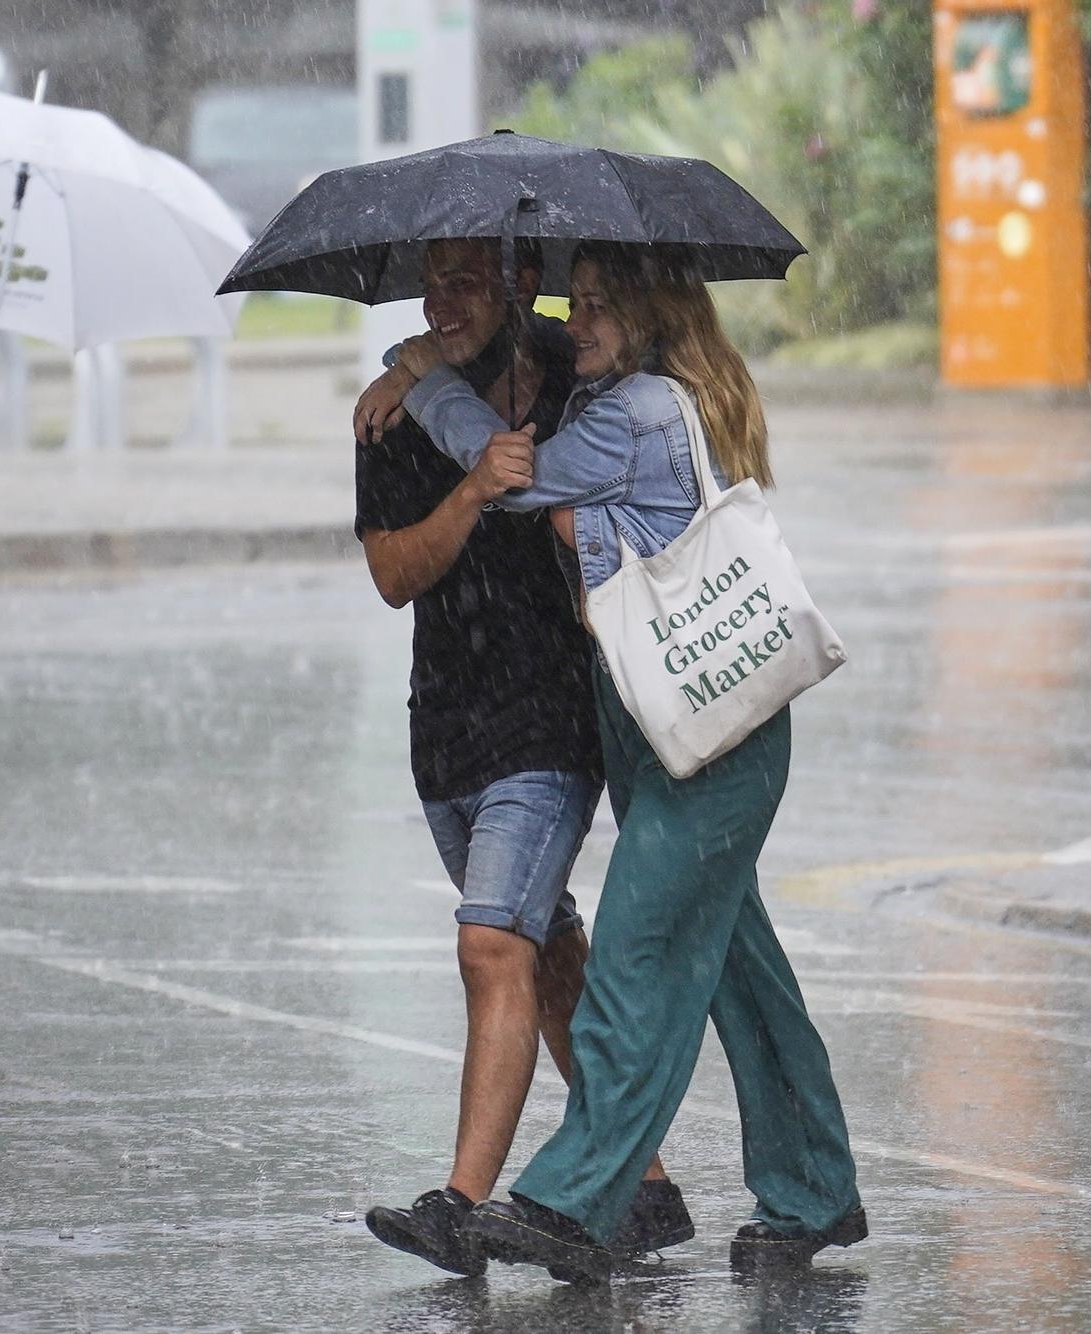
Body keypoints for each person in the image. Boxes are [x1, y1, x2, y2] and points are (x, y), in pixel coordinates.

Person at [387, 240, 866, 1281]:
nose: (579, 320)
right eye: (576, 302)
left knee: (635, 962)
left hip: (711, 735)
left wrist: (423, 381)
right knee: (742, 981)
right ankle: (813, 1190)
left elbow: (504, 474)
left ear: (648, 317)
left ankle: (573, 1197)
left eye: (600, 306)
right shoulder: (613, 397)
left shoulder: (637, 410)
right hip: (658, 728)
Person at [351, 237, 688, 1278]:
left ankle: (459, 1203)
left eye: (463, 278)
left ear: (515, 283)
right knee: (540, 953)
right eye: (429, 280)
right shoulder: (395, 408)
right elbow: (391, 574)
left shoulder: (586, 374)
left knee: (491, 943)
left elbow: (617, 479)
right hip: (446, 721)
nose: (438, 299)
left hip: (549, 717)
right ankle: (646, 1185)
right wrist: (463, 491)